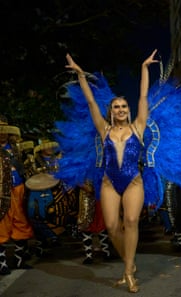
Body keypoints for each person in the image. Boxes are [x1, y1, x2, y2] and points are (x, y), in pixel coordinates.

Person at [64, 49, 159, 293]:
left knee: (130, 220)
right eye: (116, 107)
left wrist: (144, 68)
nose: (120, 109)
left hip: (133, 181)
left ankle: (128, 273)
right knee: (111, 226)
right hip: (109, 182)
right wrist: (80, 75)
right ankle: (130, 263)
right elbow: (91, 102)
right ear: (111, 111)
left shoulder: (138, 127)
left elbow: (144, 96)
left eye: (124, 106)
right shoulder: (104, 129)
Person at [0, 115, 34, 275]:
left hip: (18, 188)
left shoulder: (15, 148)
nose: (2, 133)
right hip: (2, 192)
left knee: (21, 223)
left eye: (5, 130)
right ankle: (2, 264)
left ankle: (19, 261)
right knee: (2, 225)